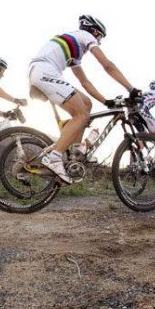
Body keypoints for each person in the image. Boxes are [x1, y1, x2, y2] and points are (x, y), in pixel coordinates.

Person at [29, 15, 141, 184]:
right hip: (45, 71)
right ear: (95, 31)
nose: (99, 42)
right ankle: (54, 157)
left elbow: (85, 82)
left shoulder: (75, 51)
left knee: (87, 104)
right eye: (100, 38)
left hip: (40, 71)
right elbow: (107, 65)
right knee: (82, 116)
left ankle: (74, 152)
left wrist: (105, 101)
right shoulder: (85, 36)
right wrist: (131, 89)